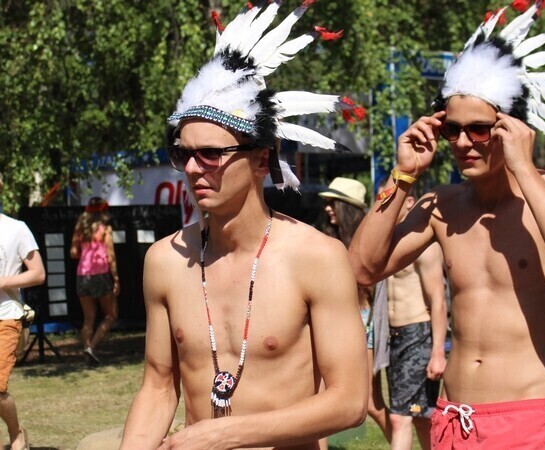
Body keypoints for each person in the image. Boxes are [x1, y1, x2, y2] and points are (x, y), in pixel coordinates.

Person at [349, 3, 545, 448]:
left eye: (480, 130)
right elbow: (362, 269)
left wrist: (523, 168)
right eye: (453, 130)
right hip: (454, 419)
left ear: (514, 128)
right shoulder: (443, 204)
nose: (463, 142)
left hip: (527, 419)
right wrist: (403, 175)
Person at [121, 3, 368, 448]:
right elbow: (157, 387)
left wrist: (226, 434)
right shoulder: (164, 261)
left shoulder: (317, 257)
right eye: (183, 154)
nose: (193, 168)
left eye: (211, 154)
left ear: (261, 159)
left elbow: (348, 401)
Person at [372, 177, 447, 450]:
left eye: (390, 198)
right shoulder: (387, 242)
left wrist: (437, 352)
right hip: (394, 337)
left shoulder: (423, 243)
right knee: (421, 417)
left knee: (400, 418)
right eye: (381, 199)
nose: (384, 205)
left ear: (410, 202)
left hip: (418, 334)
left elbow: (438, 300)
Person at [318, 177, 393, 443]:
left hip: (364, 324)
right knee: (320, 397)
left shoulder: (366, 241)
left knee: (371, 402)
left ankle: (400, 440)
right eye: (328, 203)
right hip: (330, 323)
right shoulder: (327, 239)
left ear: (347, 208)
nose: (328, 208)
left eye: (334, 203)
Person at [0, 172, 46, 450]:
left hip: (5, 316)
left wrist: (3, 281)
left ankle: (16, 433)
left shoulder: (16, 229)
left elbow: (38, 273)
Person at [70, 197, 120, 364]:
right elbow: (110, 256)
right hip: (101, 274)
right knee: (111, 315)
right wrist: (116, 279)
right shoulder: (105, 229)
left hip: (82, 275)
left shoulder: (80, 228)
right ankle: (91, 348)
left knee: (88, 318)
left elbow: (73, 253)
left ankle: (87, 353)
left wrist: (85, 254)